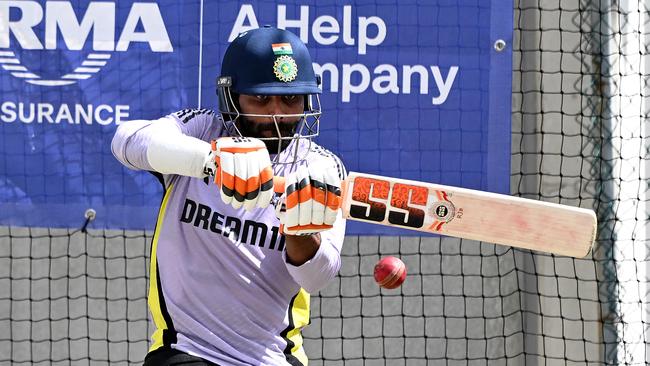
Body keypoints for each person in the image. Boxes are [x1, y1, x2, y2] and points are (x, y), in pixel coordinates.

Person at [111, 26, 346, 366]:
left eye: (290, 99)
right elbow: (126, 141)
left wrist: (301, 232)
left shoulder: (321, 168)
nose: (277, 114)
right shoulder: (203, 131)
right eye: (261, 99)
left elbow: (318, 277)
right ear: (232, 97)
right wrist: (211, 162)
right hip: (187, 351)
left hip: (272, 357)